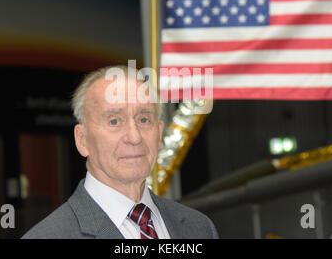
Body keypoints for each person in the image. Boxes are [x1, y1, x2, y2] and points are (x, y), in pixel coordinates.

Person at [22, 65, 218, 239]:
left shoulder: (200, 228)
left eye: (143, 120)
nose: (134, 137)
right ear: (82, 140)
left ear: (159, 135)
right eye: (114, 121)